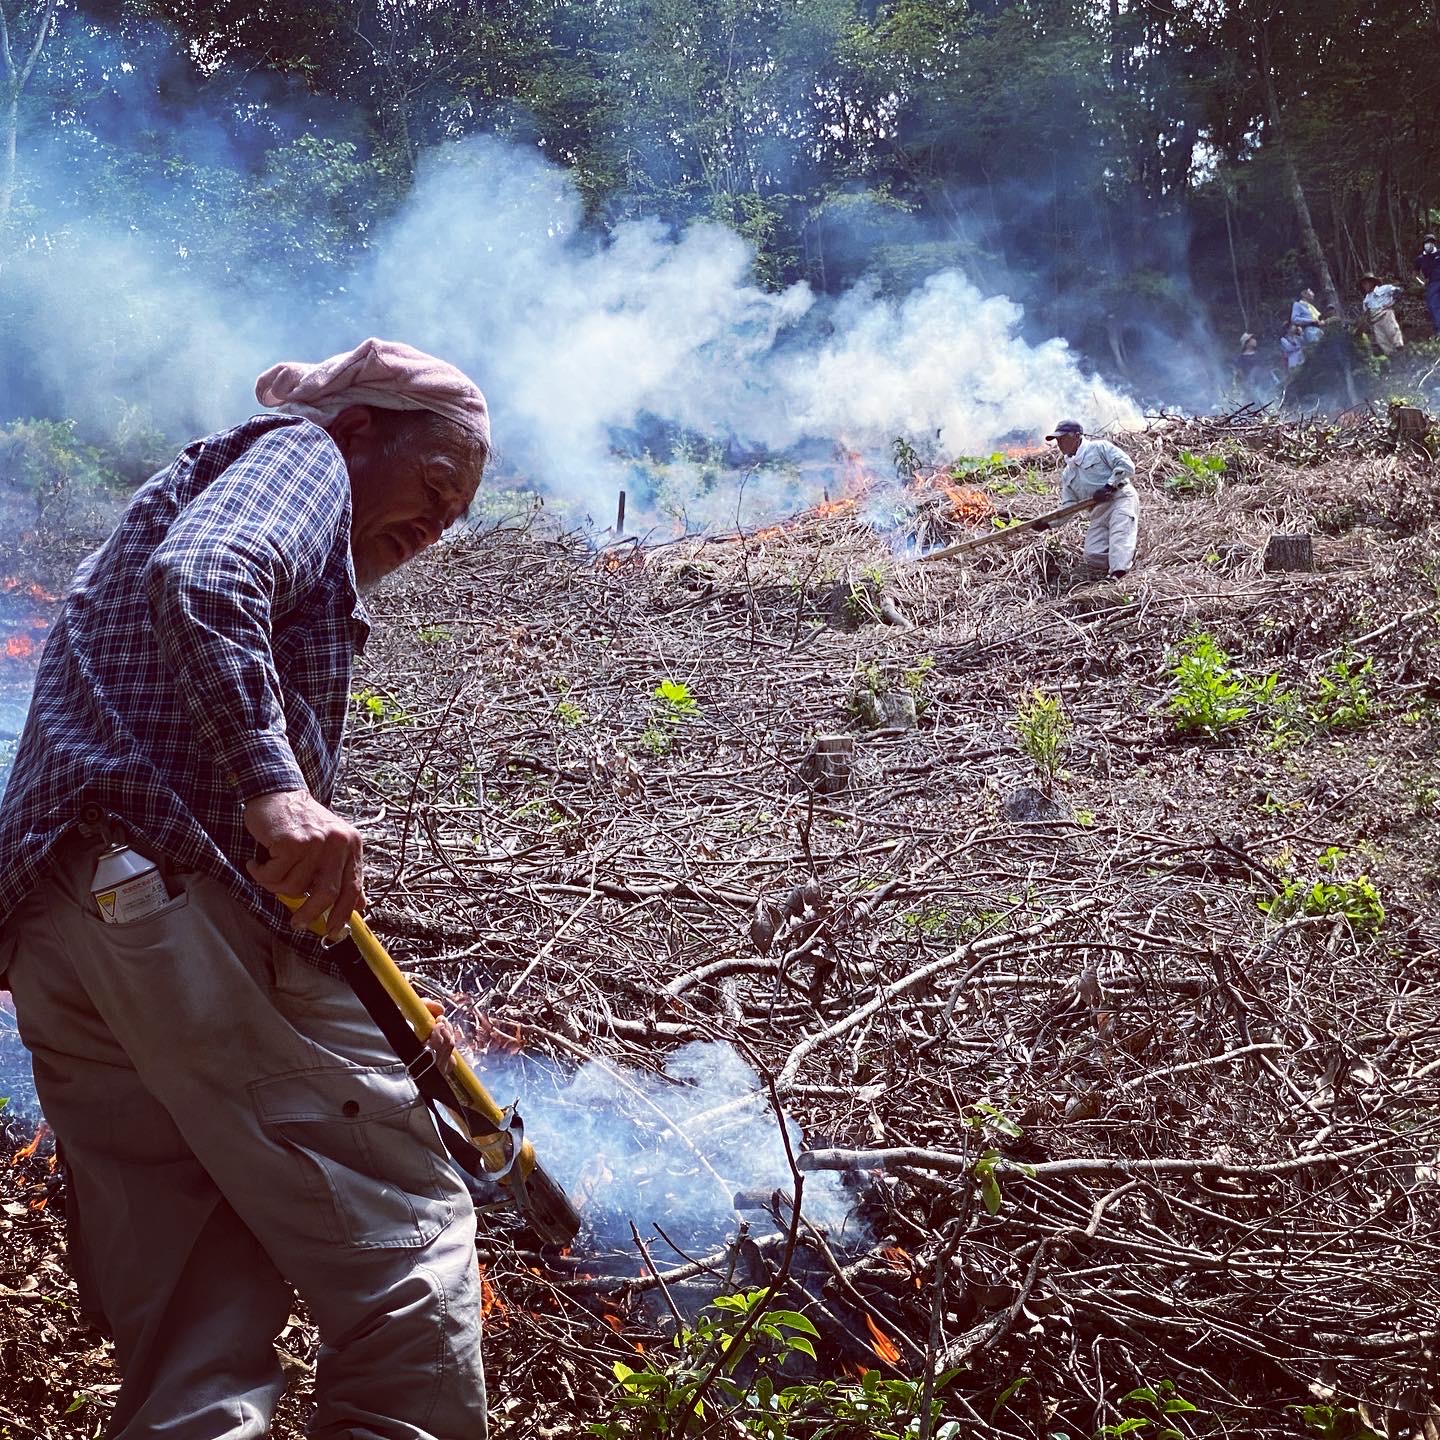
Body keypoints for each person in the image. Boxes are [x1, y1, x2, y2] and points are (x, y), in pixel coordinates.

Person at [0, 338, 492, 1438]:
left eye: (457, 514)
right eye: (434, 485)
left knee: (194, 1313)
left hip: (74, 939)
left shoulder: (214, 494)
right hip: (178, 901)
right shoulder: (303, 455)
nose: (438, 523)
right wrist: (276, 789)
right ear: (360, 432)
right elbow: (207, 575)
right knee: (408, 1243)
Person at [1040, 419, 1139, 580]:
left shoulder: (1100, 448)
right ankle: (1126, 557)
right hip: (1098, 511)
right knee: (1092, 554)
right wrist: (1047, 524)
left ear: (1076, 436)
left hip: (1120, 499)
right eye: (1057, 440)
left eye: (1063, 438)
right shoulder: (1068, 473)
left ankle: (1118, 573)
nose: (1059, 444)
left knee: (1120, 536)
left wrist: (1109, 486)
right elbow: (1069, 506)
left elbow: (1126, 465)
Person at [1361, 273, 1405, 355]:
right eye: (1363, 284)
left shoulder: (1384, 288)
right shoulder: (1366, 299)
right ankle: (1393, 357)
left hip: (1385, 315)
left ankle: (1401, 353)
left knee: (1393, 334)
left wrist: (1392, 302)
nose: (1365, 286)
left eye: (1366, 283)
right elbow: (1366, 312)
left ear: (1372, 282)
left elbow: (1399, 291)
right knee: (1382, 342)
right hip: (1375, 322)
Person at [1415, 234, 1440, 335]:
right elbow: (1415, 274)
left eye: (1431, 242)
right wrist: (1421, 282)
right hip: (1432, 284)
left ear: (1434, 243)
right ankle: (1438, 330)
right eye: (1426, 242)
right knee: (1433, 305)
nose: (1428, 244)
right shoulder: (1420, 258)